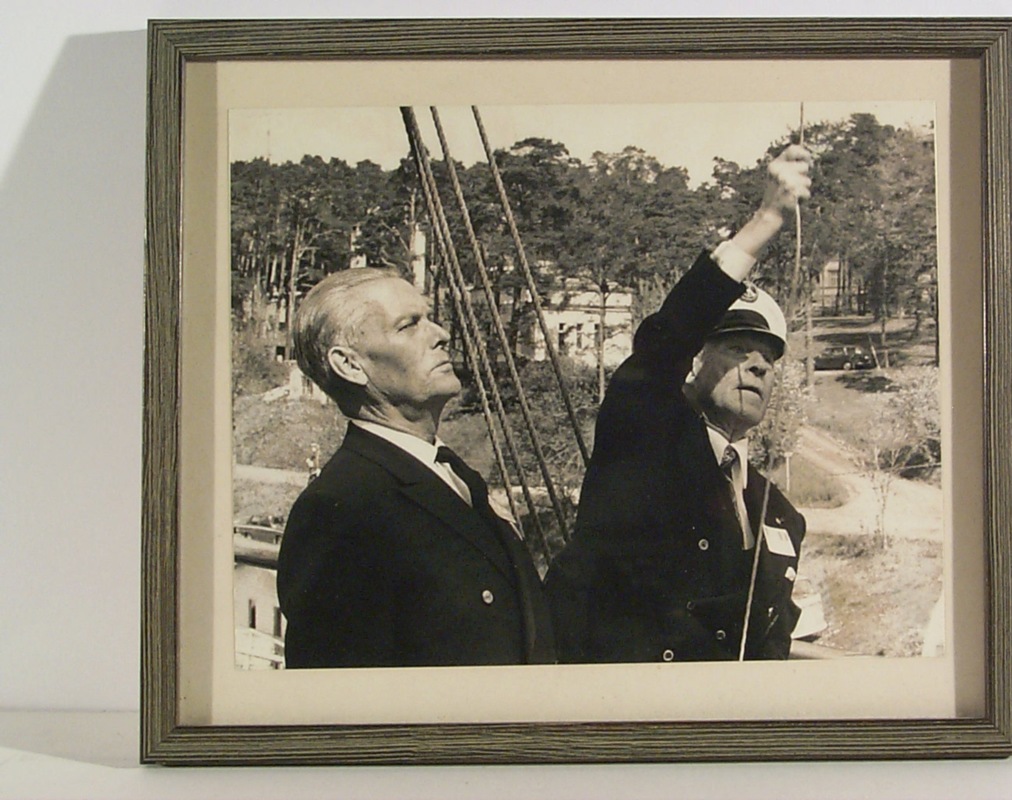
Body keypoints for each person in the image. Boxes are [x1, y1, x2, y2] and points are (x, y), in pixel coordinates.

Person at [544, 144, 814, 663]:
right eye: (737, 349)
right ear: (692, 364)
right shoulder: (644, 438)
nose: (758, 366)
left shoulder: (780, 514)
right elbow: (664, 343)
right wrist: (767, 220)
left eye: (768, 358)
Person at [276, 268, 555, 668]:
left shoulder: (454, 476)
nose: (441, 334)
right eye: (408, 325)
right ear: (350, 365)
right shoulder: (339, 510)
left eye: (429, 318)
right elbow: (339, 695)